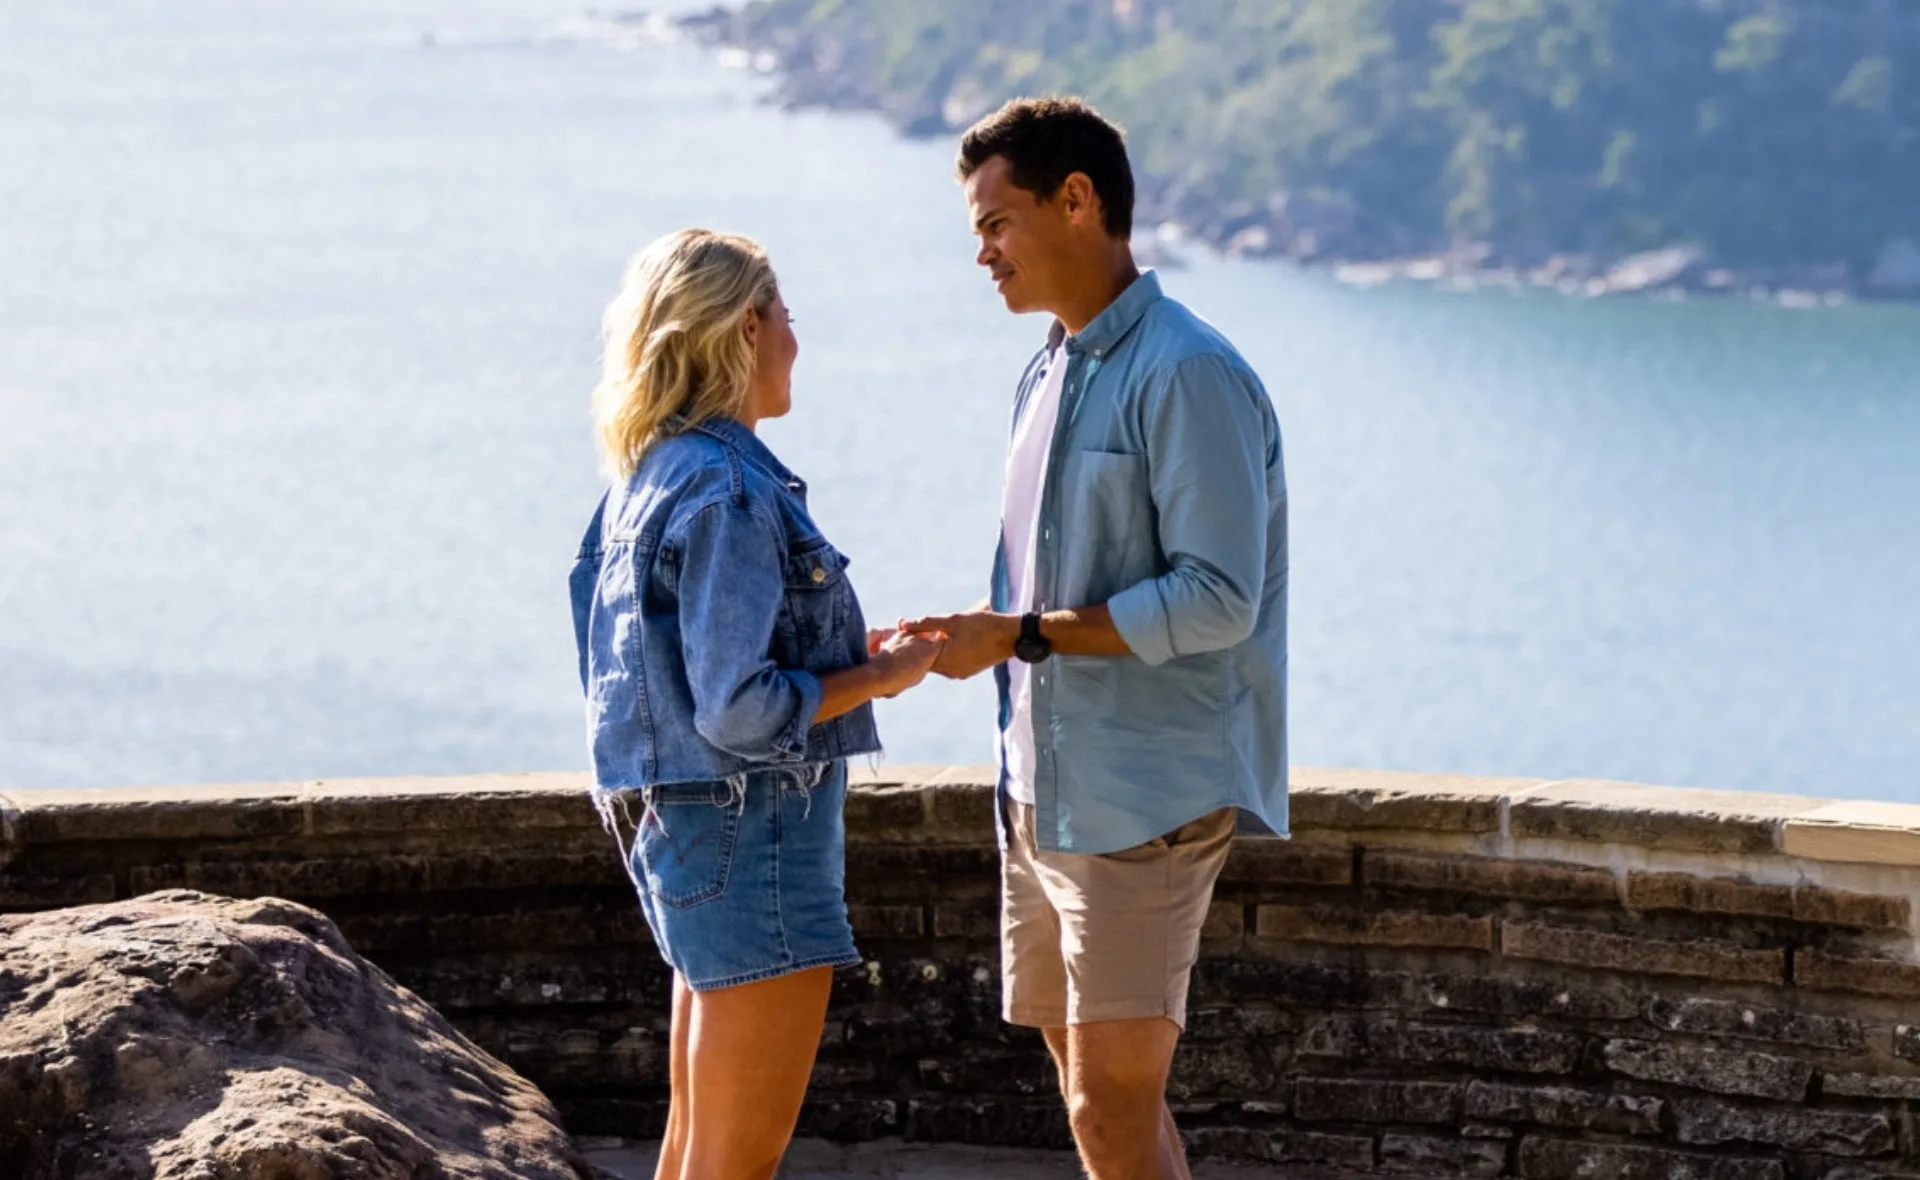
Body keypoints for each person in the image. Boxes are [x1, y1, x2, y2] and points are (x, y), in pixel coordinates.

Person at [902, 98, 1289, 1180]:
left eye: (996, 222)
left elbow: (1219, 597)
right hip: (1043, 790)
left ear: (1078, 201)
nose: (980, 252)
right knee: (1098, 1105)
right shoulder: (1050, 367)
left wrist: (1019, 635)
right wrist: (986, 634)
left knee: (1111, 1107)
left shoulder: (1187, 372)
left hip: (1140, 803)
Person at [569, 228, 945, 1180]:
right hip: (756, 831)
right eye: (787, 317)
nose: (796, 341)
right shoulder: (729, 489)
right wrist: (878, 678)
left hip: (688, 831)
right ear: (746, 326)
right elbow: (735, 708)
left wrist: (841, 663)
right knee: (736, 1160)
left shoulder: (646, 480)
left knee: (695, 1151)